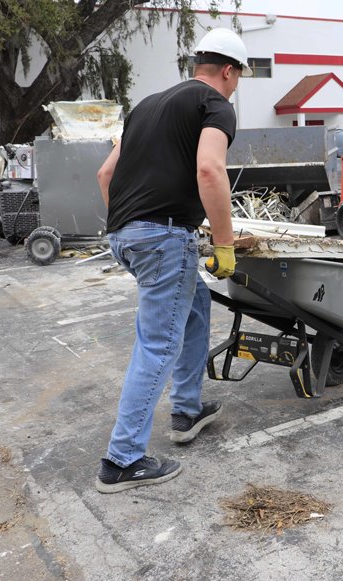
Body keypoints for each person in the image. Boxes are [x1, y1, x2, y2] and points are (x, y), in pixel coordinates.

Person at [94, 28, 252, 494]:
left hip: (123, 234)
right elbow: (209, 168)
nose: (236, 83)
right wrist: (223, 243)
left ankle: (187, 409)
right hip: (163, 237)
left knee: (196, 304)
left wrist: (130, 226)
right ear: (228, 70)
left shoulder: (147, 105)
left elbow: (107, 173)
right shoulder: (216, 105)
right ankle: (122, 460)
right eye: (239, 75)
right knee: (158, 344)